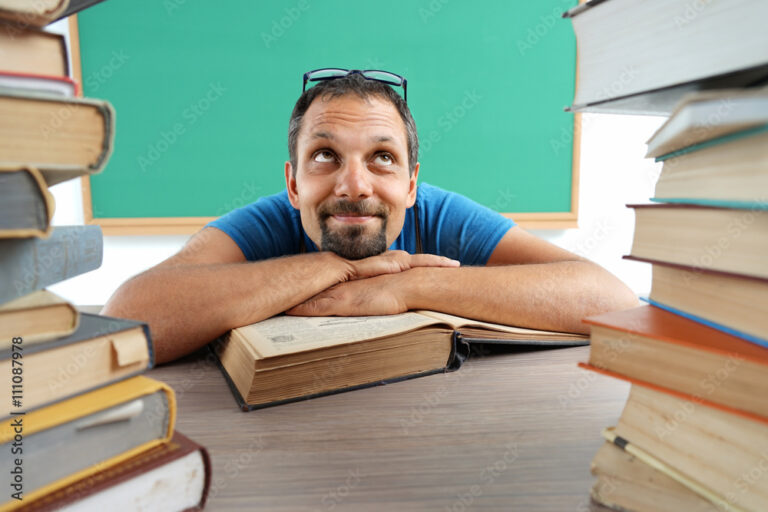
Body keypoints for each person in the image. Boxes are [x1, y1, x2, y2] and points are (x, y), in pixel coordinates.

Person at [102, 69, 638, 364]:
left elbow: (612, 301)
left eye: (382, 157)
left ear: (410, 183)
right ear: (292, 184)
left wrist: (407, 287)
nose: (354, 185)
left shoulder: (444, 216)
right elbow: (128, 319)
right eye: (325, 155)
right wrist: (338, 270)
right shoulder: (263, 225)